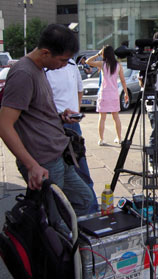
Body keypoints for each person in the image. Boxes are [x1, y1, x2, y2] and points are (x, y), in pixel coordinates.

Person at [0, 24, 95, 216]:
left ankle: (69, 243)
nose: (64, 65)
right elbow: (4, 124)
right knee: (52, 217)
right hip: (43, 161)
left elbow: (35, 114)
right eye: (62, 60)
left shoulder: (39, 69)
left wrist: (60, 117)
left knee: (85, 200)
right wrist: (31, 165)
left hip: (58, 154)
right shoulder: (23, 73)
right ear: (45, 52)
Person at [46, 58, 99, 213]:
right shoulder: (43, 67)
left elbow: (79, 89)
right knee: (55, 177)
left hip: (72, 125)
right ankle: (60, 217)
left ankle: (92, 211)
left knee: (81, 169)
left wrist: (75, 110)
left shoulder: (71, 64)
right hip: (52, 128)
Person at [86, 46, 129, 146]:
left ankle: (101, 139)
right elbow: (123, 80)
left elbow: (88, 61)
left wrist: (98, 54)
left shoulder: (102, 64)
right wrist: (126, 93)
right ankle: (119, 138)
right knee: (116, 117)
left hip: (104, 93)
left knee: (102, 117)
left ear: (104, 54)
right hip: (114, 93)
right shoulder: (118, 65)